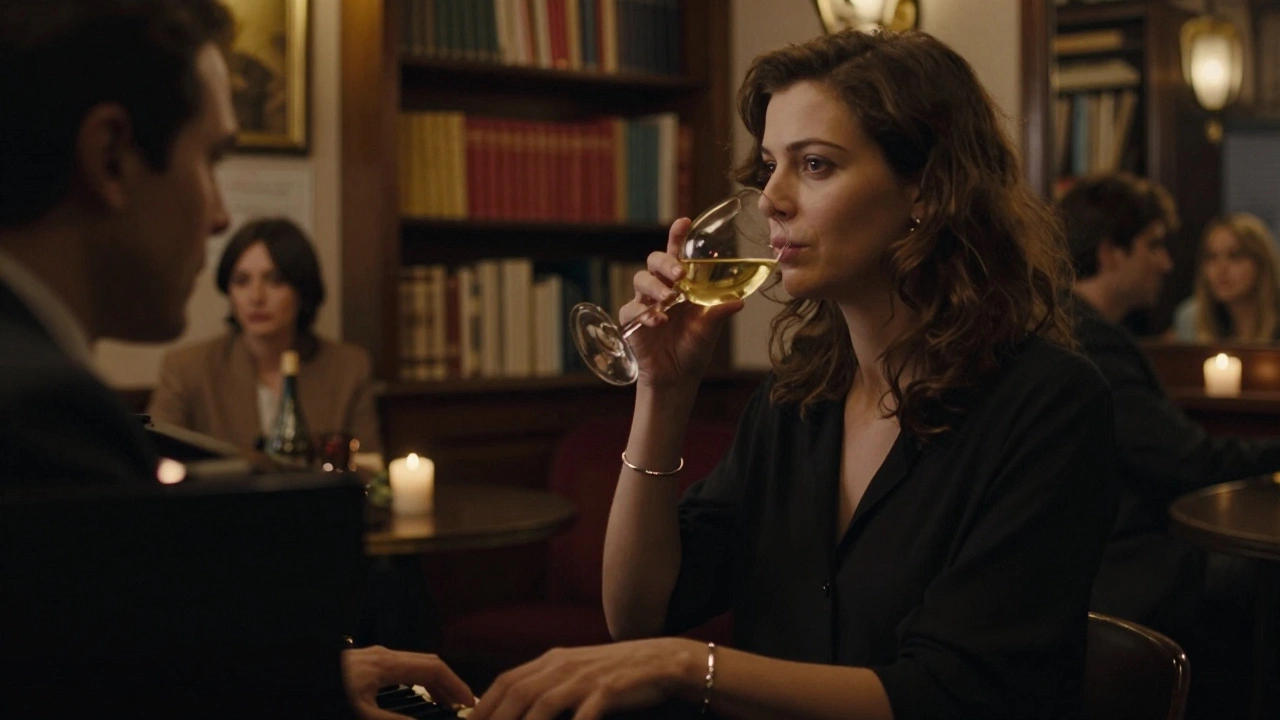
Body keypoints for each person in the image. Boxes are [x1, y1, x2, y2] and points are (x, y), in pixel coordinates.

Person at [470, 29, 1118, 720]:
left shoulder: (1048, 404)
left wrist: (686, 666)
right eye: (768, 166)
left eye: (814, 165)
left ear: (927, 190)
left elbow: (948, 695)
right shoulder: (799, 399)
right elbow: (639, 612)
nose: (770, 199)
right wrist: (662, 393)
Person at [0, 1, 467, 716]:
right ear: (111, 157)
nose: (220, 215)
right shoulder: (39, 413)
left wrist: (307, 673)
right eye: (212, 159)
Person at [1059, 173, 1278, 717]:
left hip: (1105, 554)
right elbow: (1190, 460)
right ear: (1111, 253)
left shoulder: (1078, 328)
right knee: (1263, 577)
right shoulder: (1092, 344)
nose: (1165, 262)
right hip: (1124, 564)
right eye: (1154, 244)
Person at [148, 217, 382, 454]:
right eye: (242, 281)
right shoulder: (187, 369)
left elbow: (367, 465)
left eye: (275, 280)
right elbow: (152, 460)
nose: (256, 297)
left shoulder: (348, 368)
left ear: (302, 288)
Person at [1169, 213, 1280, 342]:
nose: (1221, 269)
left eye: (1235, 256)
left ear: (1261, 263)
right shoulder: (1191, 318)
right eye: (1211, 257)